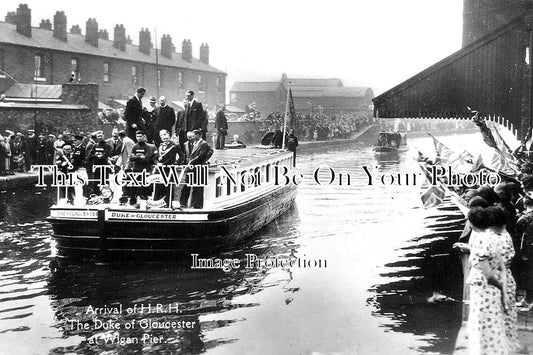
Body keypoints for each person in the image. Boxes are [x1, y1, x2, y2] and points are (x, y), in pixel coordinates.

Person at [466, 207, 509, 355]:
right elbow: (499, 266)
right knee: (493, 321)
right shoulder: (493, 237)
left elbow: (488, 275)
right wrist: (502, 290)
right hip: (490, 289)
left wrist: (499, 285)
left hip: (483, 288)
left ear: (471, 223)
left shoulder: (481, 240)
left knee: (481, 323)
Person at [487, 206, 521, 352]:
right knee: (509, 314)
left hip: (500, 280)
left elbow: (490, 259)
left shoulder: (495, 238)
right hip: (508, 278)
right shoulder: (505, 234)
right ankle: (510, 345)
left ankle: (501, 348)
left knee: (498, 315)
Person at [179, 129, 213, 209]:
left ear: (199, 135)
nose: (192, 137)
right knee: (187, 185)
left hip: (199, 168)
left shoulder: (204, 144)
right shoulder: (191, 143)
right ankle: (183, 203)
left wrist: (191, 162)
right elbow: (187, 155)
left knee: (198, 187)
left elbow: (201, 156)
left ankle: (196, 205)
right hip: (191, 169)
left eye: (194, 135)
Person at [153, 129, 185, 207]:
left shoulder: (174, 146)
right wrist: (157, 163)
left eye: (165, 135)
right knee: (158, 186)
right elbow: (155, 157)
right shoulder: (160, 146)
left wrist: (175, 163)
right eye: (161, 136)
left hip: (169, 169)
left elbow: (182, 156)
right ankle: (156, 204)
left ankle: (168, 204)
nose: (163, 137)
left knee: (168, 187)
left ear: (169, 135)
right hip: (159, 170)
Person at [125, 130, 157, 207]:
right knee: (134, 186)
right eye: (137, 136)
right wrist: (140, 157)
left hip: (145, 169)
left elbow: (146, 158)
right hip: (136, 169)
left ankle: (144, 203)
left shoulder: (148, 147)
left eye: (140, 136)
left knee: (144, 186)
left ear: (144, 137)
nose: (138, 138)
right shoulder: (134, 146)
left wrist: (137, 157)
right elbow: (131, 158)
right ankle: (133, 202)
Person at [515, 197, 533, 310]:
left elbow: (518, 233)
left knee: (529, 275)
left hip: (528, 251)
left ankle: (528, 300)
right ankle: (528, 300)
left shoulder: (523, 218)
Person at [87, 131, 112, 196]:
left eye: (101, 136)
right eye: (98, 136)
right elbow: (90, 156)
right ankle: (96, 196)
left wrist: (97, 155)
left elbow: (105, 155)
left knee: (105, 182)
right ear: (96, 137)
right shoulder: (95, 145)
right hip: (96, 167)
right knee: (96, 182)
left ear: (104, 136)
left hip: (104, 167)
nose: (100, 137)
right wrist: (97, 156)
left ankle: (106, 196)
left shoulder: (107, 146)